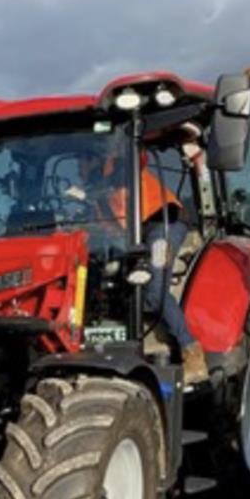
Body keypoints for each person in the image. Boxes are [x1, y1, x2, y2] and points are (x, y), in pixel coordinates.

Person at [65, 134, 208, 383]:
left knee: (154, 292)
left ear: (93, 160)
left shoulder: (117, 166)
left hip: (163, 223)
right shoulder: (96, 197)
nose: (78, 168)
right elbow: (104, 228)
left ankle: (192, 353)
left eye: (81, 162)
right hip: (135, 233)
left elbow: (130, 154)